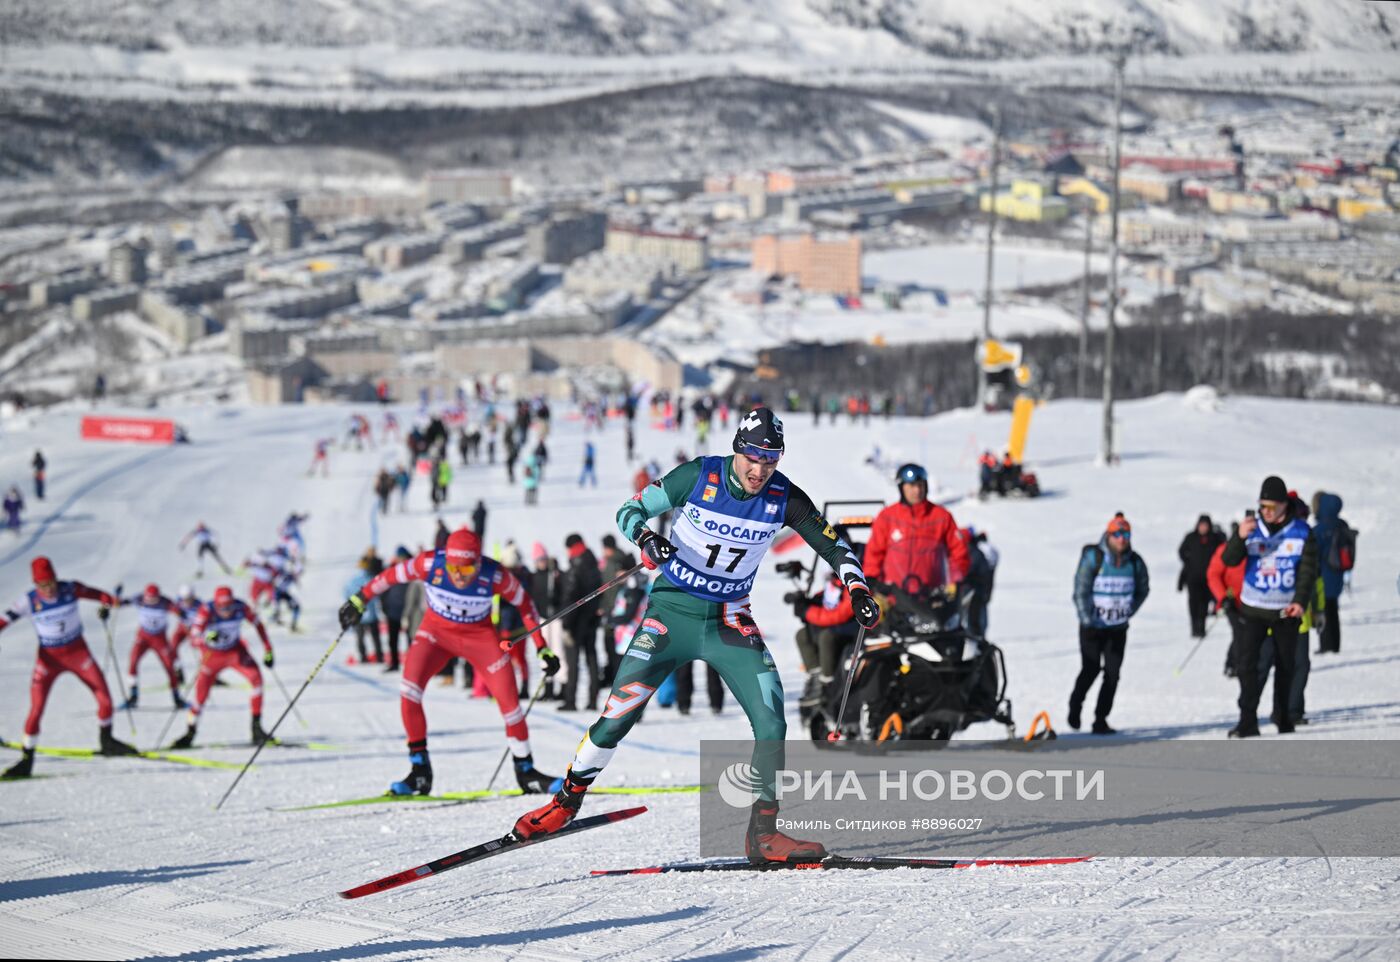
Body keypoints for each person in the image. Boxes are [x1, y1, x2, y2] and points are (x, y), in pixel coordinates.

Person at [514, 407, 880, 864]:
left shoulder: (784, 496)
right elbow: (629, 510)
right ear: (737, 450)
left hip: (729, 621)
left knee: (772, 721)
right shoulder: (699, 475)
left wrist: (857, 586)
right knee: (616, 717)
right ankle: (564, 803)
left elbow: (834, 544)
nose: (759, 469)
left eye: (771, 459)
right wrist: (647, 539)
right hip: (670, 615)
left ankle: (764, 833)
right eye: (752, 457)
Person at [337, 528, 562, 796]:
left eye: (466, 571)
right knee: (409, 690)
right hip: (436, 635)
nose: (458, 576)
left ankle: (526, 772)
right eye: (454, 568)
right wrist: (359, 600)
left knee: (511, 704)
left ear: (478, 563)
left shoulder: (496, 575)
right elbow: (389, 577)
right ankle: (420, 772)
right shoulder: (430, 563)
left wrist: (542, 649)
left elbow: (526, 606)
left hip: (479, 638)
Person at [0, 558, 136, 777]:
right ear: (36, 584)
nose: (49, 589)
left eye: (51, 582)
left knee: (104, 698)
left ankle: (107, 741)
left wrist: (109, 603)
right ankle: (26, 760)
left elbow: (99, 595)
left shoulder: (70, 588)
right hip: (48, 660)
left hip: (77, 653)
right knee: (36, 709)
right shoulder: (29, 600)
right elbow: (5, 619)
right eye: (43, 585)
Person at [1220, 476, 1318, 738]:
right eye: (1263, 506)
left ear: (1284, 505)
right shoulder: (1251, 529)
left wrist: (1300, 600)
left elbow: (1308, 571)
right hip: (1253, 610)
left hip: (1286, 612)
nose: (1266, 512)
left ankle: (1283, 716)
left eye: (1272, 507)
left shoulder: (1301, 531)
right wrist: (1239, 538)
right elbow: (1229, 560)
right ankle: (1247, 720)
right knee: (1248, 667)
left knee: (1286, 667)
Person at [1069, 513, 1150, 735]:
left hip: (1117, 628)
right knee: (1091, 668)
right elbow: (1080, 589)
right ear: (1108, 535)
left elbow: (1143, 589)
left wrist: (1129, 610)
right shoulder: (1094, 558)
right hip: (1092, 627)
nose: (1122, 539)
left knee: (1112, 674)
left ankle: (1100, 719)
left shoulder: (1135, 562)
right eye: (1117, 534)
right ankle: (1075, 705)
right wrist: (1087, 618)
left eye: (1125, 534)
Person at [170, 586, 276, 748]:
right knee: (200, 697)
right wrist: (207, 637)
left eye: (229, 607)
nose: (226, 611)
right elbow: (194, 636)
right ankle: (190, 733)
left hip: (235, 652)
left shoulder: (241, 607)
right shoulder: (206, 610)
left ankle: (256, 729)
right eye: (222, 608)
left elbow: (258, 625)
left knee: (257, 679)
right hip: (213, 656)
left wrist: (268, 649)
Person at [864, 463, 969, 596]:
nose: (917, 491)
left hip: (932, 596)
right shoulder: (887, 517)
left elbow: (958, 552)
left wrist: (956, 579)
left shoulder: (941, 517)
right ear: (902, 488)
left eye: (921, 485)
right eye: (912, 486)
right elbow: (874, 553)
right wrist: (871, 579)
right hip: (894, 597)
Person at [118, 583, 186, 710]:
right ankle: (133, 696)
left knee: (169, 666)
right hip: (143, 637)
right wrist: (115, 600)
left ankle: (177, 698)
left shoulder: (165, 602)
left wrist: (181, 613)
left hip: (159, 639)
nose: (150, 601)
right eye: (148, 598)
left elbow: (177, 609)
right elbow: (123, 602)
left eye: (153, 599)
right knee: (133, 661)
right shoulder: (139, 598)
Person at [555, 533, 603, 711]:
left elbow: (571, 596)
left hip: (576, 622)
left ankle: (570, 700)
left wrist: (567, 624)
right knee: (591, 660)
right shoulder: (593, 563)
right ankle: (593, 700)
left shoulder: (576, 566)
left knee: (573, 662)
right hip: (591, 620)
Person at [1311, 492, 1353, 654]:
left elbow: (1314, 554)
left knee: (1323, 610)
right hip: (1338, 574)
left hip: (1324, 577)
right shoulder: (1342, 526)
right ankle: (1335, 644)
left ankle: (1326, 645)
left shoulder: (1320, 529)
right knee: (1333, 610)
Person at [1207, 525, 1246, 677]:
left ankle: (1240, 663)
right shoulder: (1225, 549)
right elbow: (1213, 574)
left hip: (1253, 600)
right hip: (1231, 600)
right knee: (1239, 632)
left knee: (1248, 634)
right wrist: (1222, 597)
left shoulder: (1255, 548)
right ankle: (1233, 664)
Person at [1178, 515, 1225, 638]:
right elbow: (1181, 551)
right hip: (1193, 577)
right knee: (1193, 603)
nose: (1203, 527)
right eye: (1201, 525)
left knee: (1204, 604)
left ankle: (1201, 628)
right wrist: (1189, 561)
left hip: (1208, 578)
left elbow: (1224, 549)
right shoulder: (1191, 537)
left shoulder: (1214, 538)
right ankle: (1194, 627)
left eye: (1205, 525)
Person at [343, 552, 384, 665]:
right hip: (371, 613)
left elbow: (346, 594)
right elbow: (376, 594)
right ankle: (379, 656)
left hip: (358, 614)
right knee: (375, 636)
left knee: (360, 637)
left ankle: (363, 656)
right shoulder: (371, 578)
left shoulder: (352, 580)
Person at [379, 546, 413, 672]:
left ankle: (412, 665)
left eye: (403, 558)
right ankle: (394, 663)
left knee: (412, 640)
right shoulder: (391, 570)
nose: (401, 560)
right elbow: (383, 590)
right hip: (393, 611)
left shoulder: (413, 570)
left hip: (409, 611)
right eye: (399, 558)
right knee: (392, 640)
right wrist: (384, 606)